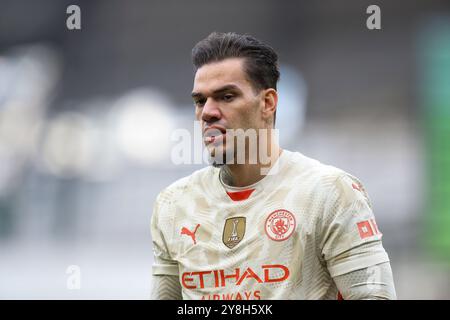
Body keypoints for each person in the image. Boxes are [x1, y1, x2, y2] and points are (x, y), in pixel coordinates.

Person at [150, 32, 396, 300]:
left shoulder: (330, 192)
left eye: (227, 96)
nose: (207, 112)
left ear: (267, 103)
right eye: (200, 101)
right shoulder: (173, 205)